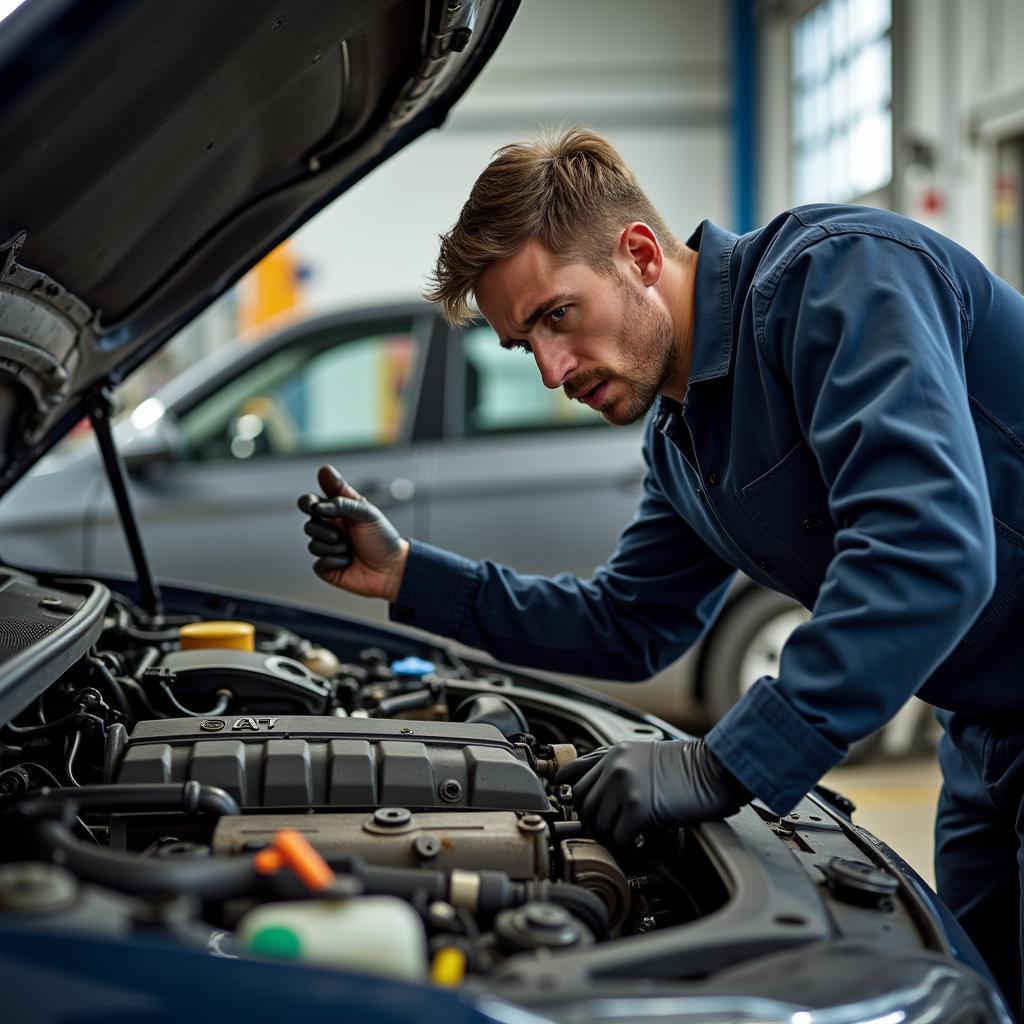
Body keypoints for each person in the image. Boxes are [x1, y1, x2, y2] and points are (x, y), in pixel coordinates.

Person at [297, 127, 1024, 1017]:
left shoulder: (840, 278)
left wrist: (725, 765)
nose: (555, 370)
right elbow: (629, 621)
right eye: (527, 346)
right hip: (988, 734)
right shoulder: (682, 440)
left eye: (557, 316)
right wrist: (409, 575)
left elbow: (928, 553)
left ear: (639, 253)